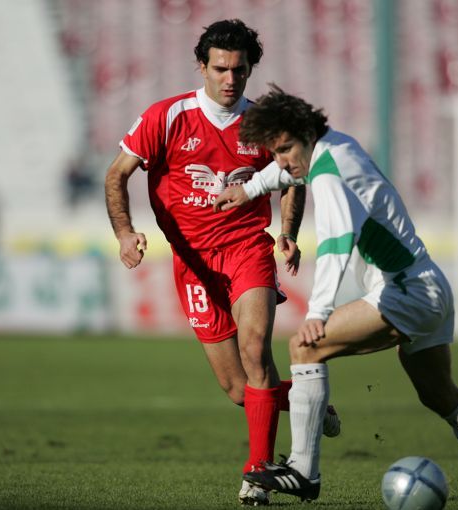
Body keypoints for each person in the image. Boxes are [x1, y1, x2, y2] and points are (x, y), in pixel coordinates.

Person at [213, 85, 458, 509]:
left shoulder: (328, 172)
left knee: (304, 348)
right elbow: (291, 172)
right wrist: (252, 187)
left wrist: (318, 312)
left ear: (306, 134)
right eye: (275, 152)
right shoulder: (336, 146)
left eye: (286, 149)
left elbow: (337, 241)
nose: (283, 161)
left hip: (405, 291)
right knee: (438, 394)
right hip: (428, 284)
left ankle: (304, 471)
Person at [103, 20, 340, 506]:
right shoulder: (166, 117)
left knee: (256, 351)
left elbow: (292, 177)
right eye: (220, 69)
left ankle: (258, 474)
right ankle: (307, 400)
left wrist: (288, 233)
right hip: (193, 263)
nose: (230, 79)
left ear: (250, 70)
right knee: (237, 388)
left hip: (247, 248)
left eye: (239, 70)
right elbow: (117, 174)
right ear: (202, 67)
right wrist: (125, 232)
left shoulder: (261, 125)